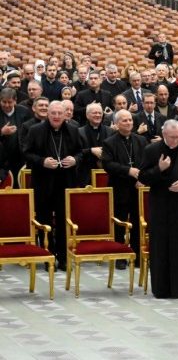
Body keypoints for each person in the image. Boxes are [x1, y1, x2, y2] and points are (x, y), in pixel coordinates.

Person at [138, 119, 178, 298]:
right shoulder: (151, 150)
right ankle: (161, 289)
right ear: (164, 135)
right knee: (160, 248)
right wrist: (159, 168)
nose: (176, 140)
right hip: (160, 206)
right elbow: (143, 177)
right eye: (172, 137)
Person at [24, 101, 84, 271]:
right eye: (53, 113)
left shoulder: (73, 130)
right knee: (45, 220)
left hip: (65, 182)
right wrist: (42, 161)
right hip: (43, 182)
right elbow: (27, 153)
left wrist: (75, 160)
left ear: (66, 114)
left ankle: (64, 257)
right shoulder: (35, 131)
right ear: (47, 114)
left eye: (60, 113)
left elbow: (80, 152)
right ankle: (47, 255)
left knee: (64, 220)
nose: (57, 116)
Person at [101, 109, 148, 269]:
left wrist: (142, 178)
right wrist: (128, 171)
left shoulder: (141, 140)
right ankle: (119, 256)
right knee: (120, 223)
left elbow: (148, 162)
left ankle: (137, 255)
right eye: (124, 120)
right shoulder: (109, 142)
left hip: (137, 188)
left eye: (130, 120)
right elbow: (108, 164)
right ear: (116, 123)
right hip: (119, 188)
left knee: (137, 222)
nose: (128, 123)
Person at [78, 103, 114, 186]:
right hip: (86, 175)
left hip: (107, 175)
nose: (98, 115)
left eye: (100, 113)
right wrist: (90, 150)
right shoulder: (79, 132)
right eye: (94, 113)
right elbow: (76, 152)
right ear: (87, 115)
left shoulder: (110, 131)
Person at [1, 88, 31, 185]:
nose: (6, 105)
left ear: (15, 100)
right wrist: (1, 132)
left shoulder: (24, 111)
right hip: (1, 159)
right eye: (3, 102)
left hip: (20, 157)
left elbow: (30, 132)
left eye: (9, 102)